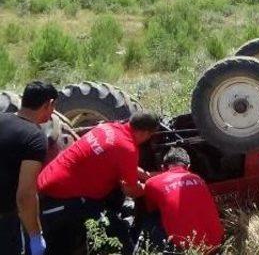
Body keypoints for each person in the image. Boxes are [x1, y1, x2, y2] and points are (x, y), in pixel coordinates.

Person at [37, 111, 159, 255]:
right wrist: (153, 185)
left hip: (50, 178)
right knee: (118, 233)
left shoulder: (108, 127)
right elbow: (130, 191)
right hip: (60, 196)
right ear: (145, 133)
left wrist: (146, 175)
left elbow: (122, 163)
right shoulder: (128, 148)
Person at [0, 81, 57, 255]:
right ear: (49, 104)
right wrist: (35, 235)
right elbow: (25, 196)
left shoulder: (2, 118)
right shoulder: (35, 137)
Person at [138, 147, 224, 253]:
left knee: (150, 218)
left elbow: (151, 209)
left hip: (184, 248)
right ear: (188, 167)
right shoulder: (199, 179)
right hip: (215, 244)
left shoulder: (151, 182)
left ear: (162, 167)